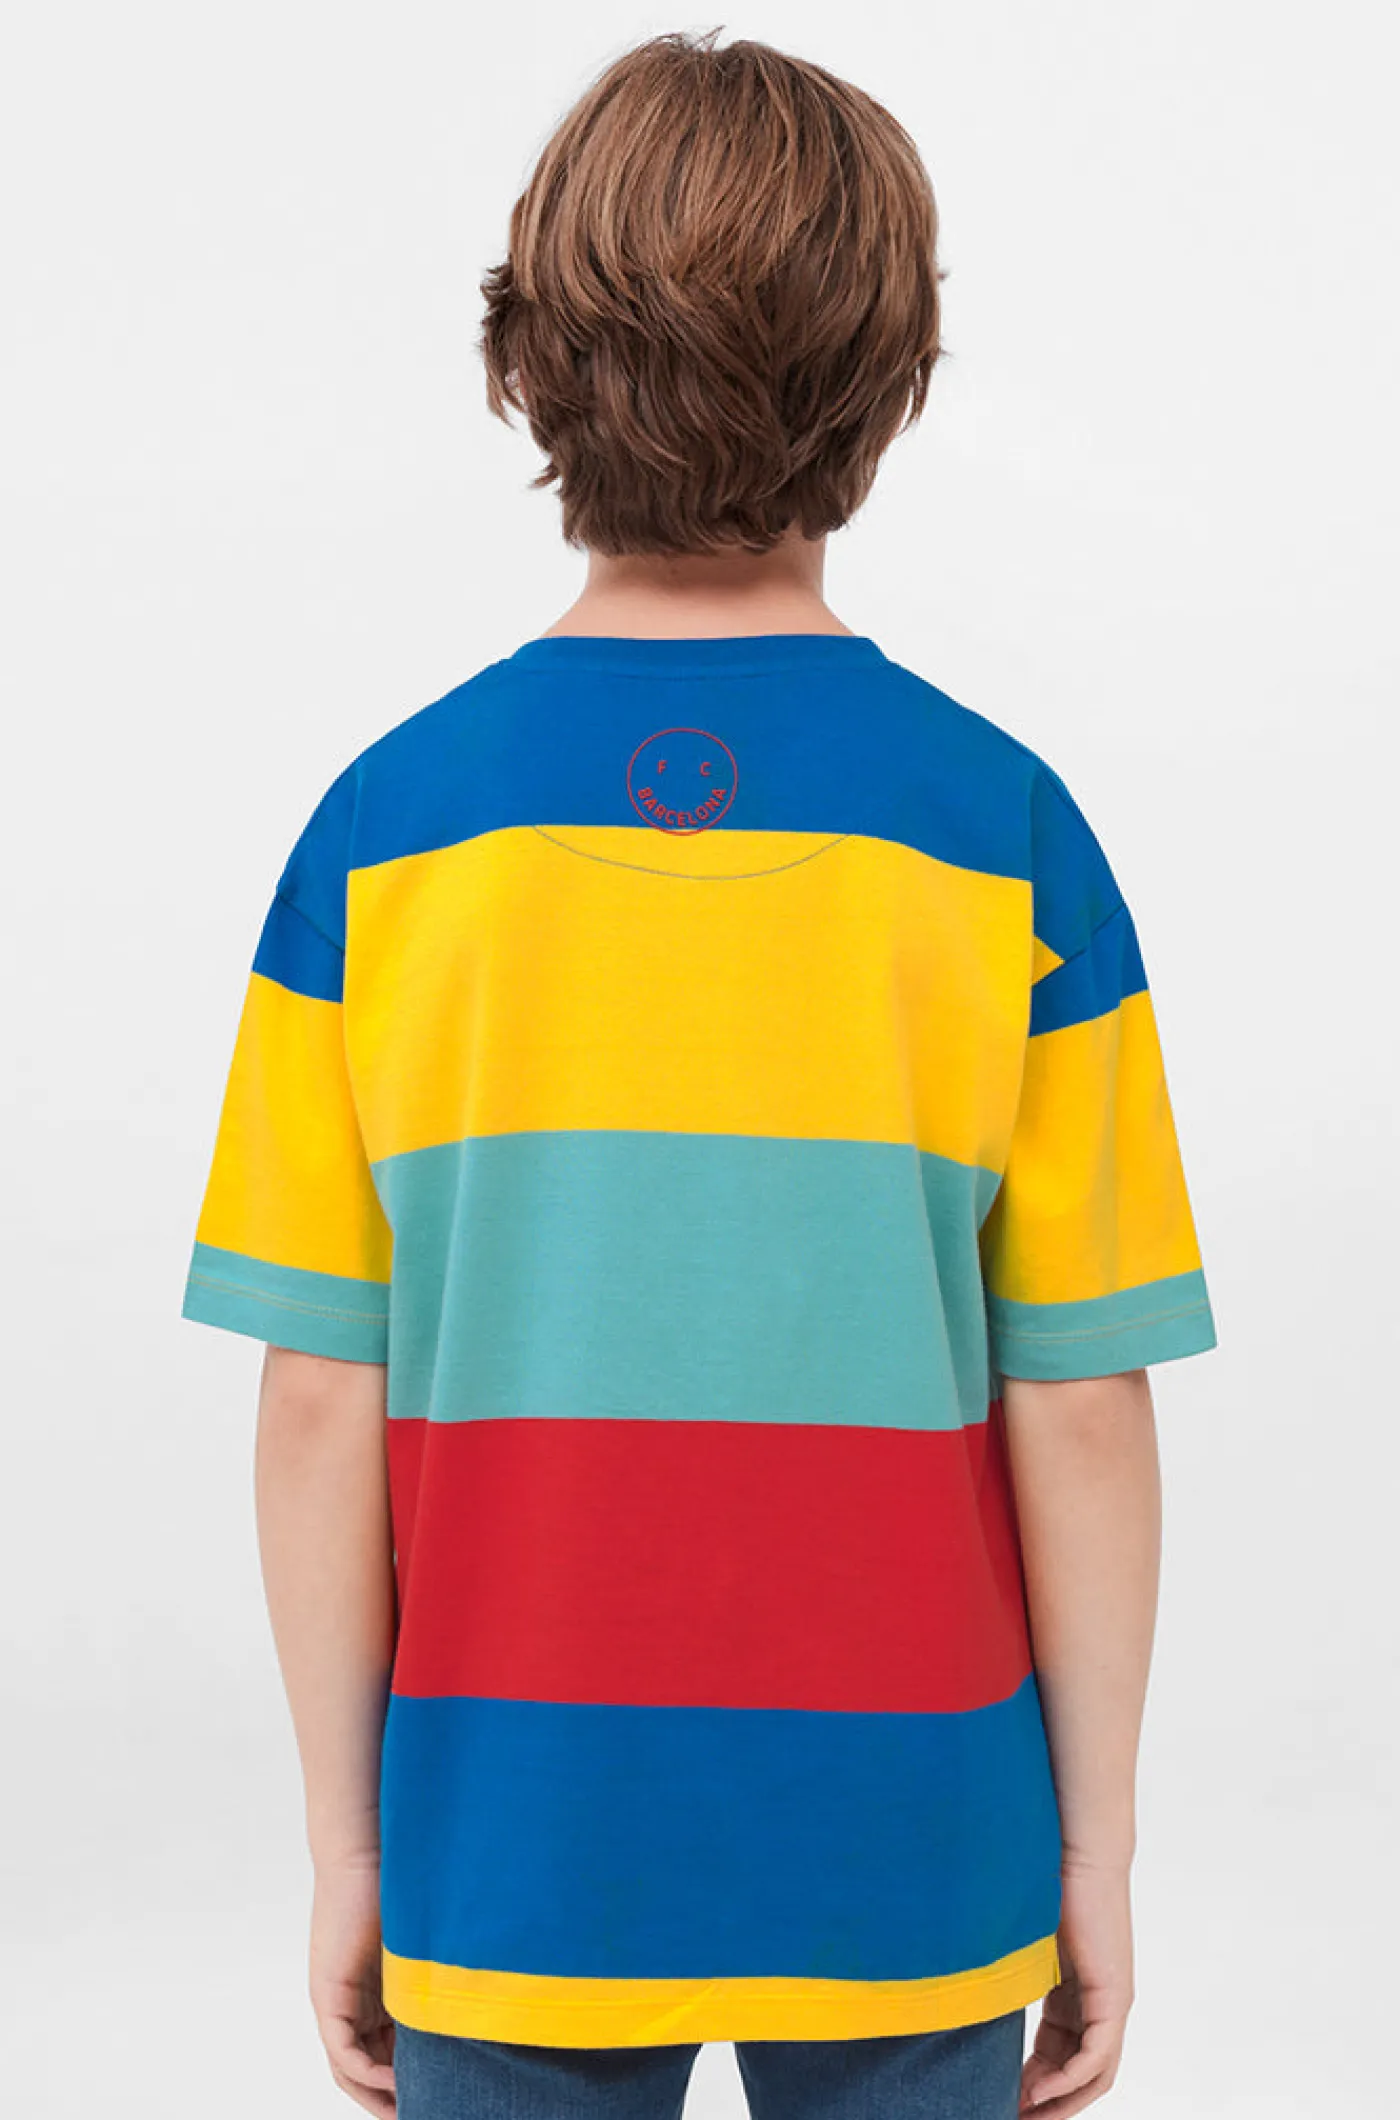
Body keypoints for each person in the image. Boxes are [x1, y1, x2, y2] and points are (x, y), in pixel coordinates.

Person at [181, 30, 1217, 2120]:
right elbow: (1083, 1397)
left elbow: (314, 1396)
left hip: (510, 1830)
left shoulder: (386, 838)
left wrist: (350, 1849)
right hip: (917, 1827)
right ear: (890, 379)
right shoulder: (1003, 836)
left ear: (529, 360)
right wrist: (1095, 1851)